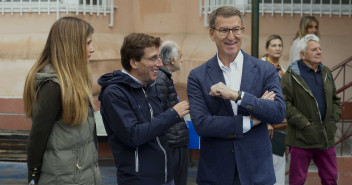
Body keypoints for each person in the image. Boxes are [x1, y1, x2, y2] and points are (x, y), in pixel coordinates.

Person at [187, 6, 286, 185]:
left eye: (236, 29)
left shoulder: (265, 70)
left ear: (243, 31)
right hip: (215, 174)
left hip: (257, 174)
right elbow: (202, 124)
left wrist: (237, 96)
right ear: (212, 34)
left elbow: (278, 112)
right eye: (224, 30)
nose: (231, 37)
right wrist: (249, 122)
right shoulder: (198, 76)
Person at [98, 33, 190, 185]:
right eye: (153, 58)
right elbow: (133, 135)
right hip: (139, 180)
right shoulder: (114, 93)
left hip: (166, 176)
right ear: (134, 62)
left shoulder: (150, 86)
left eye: (159, 57)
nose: (160, 63)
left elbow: (157, 132)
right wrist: (173, 114)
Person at [23, 17, 101, 185]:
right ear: (71, 46)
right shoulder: (53, 86)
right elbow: (37, 138)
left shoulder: (73, 82)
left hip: (81, 176)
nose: (92, 49)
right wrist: (33, 177)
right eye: (88, 43)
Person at [281, 34, 341, 185]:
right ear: (303, 54)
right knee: (297, 181)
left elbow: (335, 99)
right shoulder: (291, 75)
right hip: (301, 138)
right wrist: (304, 124)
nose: (319, 52)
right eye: (314, 49)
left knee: (331, 179)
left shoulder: (326, 72)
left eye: (320, 48)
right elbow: (284, 102)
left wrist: (333, 120)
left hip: (325, 137)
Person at [156, 40, 189, 185]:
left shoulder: (164, 77)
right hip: (172, 142)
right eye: (181, 55)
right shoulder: (160, 79)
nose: (183, 58)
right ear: (172, 59)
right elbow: (160, 112)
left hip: (175, 140)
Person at [262, 35, 287, 185]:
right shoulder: (261, 67)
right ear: (267, 48)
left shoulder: (282, 70)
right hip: (265, 124)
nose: (277, 48)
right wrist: (266, 122)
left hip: (280, 124)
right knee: (265, 164)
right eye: (273, 45)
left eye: (280, 45)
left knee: (278, 161)